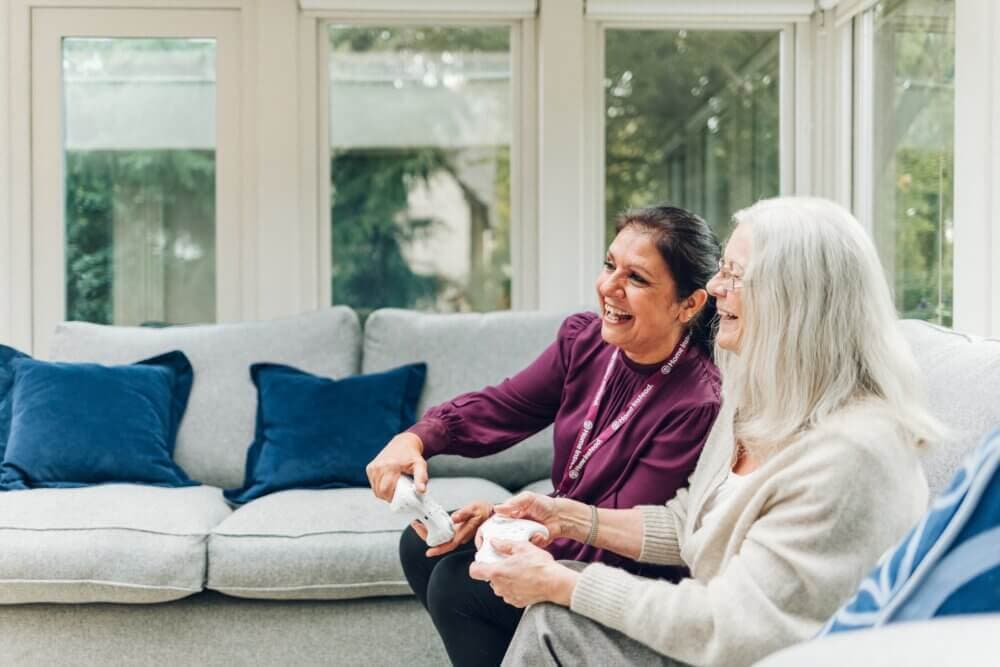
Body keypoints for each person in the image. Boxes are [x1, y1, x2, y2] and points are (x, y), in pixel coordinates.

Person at [470, 196, 943, 667]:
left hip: (766, 653)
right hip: (727, 637)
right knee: (543, 606)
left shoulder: (852, 455)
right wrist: (568, 517)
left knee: (554, 617)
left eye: (735, 276)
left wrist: (564, 584)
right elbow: (692, 524)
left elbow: (735, 628)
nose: (715, 287)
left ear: (795, 300)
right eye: (722, 270)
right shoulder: (760, 401)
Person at [366, 205, 723, 666]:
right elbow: (505, 407)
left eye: (636, 278)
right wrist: (416, 439)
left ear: (689, 304)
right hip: (562, 529)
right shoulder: (585, 342)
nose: (609, 287)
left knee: (460, 583)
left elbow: (620, 535)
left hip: (626, 576)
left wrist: (500, 528)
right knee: (424, 545)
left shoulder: (696, 403)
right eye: (609, 265)